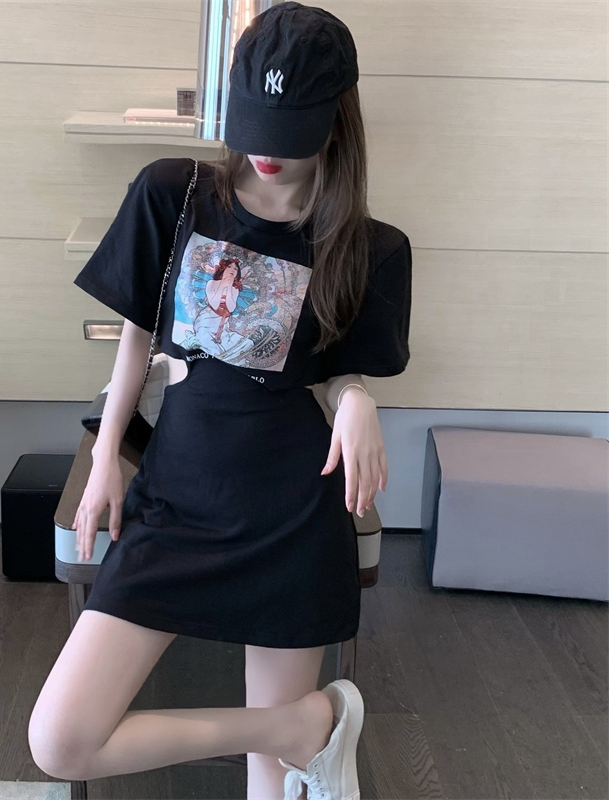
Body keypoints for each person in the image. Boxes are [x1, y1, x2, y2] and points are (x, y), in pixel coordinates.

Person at [28, 2, 412, 798]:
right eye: (255, 124)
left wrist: (356, 398)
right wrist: (106, 457)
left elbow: (333, 371)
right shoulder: (174, 194)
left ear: (336, 119)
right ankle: (303, 726)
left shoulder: (369, 246)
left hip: (290, 516)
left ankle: (293, 735)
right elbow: (138, 335)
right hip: (177, 500)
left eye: (291, 131)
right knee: (62, 739)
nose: (266, 150)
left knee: (269, 787)